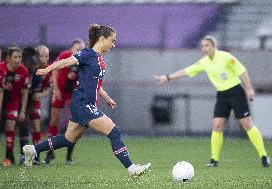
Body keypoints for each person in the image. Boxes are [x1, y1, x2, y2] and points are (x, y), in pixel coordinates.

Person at [23, 24, 151, 179]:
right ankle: (132, 169)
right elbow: (65, 62)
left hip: (85, 104)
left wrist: (107, 98)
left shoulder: (99, 58)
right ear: (102, 39)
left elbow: (95, 83)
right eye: (112, 40)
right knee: (114, 131)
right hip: (83, 103)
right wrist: (46, 70)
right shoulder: (86, 53)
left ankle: (32, 150)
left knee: (68, 140)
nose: (113, 44)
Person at [155, 35, 270, 168]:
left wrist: (249, 89)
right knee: (216, 125)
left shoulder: (226, 57)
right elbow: (187, 71)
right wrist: (167, 77)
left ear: (214, 46)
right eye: (202, 46)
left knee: (247, 124)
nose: (204, 48)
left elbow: (242, 71)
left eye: (207, 45)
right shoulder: (204, 62)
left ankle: (263, 156)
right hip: (222, 95)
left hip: (236, 92)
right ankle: (214, 160)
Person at [44, 39, 84, 165]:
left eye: (82, 49)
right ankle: (50, 152)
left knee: (74, 122)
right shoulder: (64, 56)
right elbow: (55, 71)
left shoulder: (83, 61)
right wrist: (55, 89)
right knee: (54, 120)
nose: (80, 52)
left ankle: (69, 156)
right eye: (77, 49)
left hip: (73, 92)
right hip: (60, 89)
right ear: (71, 49)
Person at [0, 46, 29, 166]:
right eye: (15, 57)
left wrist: (22, 111)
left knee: (10, 126)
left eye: (20, 57)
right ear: (8, 58)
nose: (18, 60)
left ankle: (9, 155)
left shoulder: (24, 71)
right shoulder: (0, 68)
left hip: (13, 102)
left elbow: (25, 92)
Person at [19, 46, 51, 165]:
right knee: (23, 125)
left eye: (47, 56)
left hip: (34, 100)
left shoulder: (47, 70)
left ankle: (36, 157)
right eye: (42, 56)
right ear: (36, 57)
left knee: (37, 127)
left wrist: (40, 94)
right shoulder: (30, 68)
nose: (45, 58)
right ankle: (21, 156)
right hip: (23, 100)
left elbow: (47, 89)